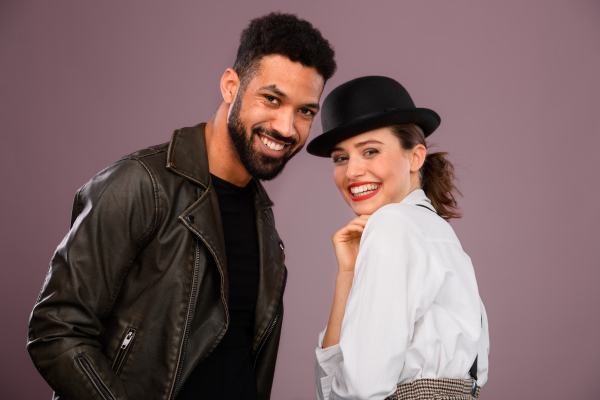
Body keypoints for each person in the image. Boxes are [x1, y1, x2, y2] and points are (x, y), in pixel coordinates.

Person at [27, 12, 336, 400]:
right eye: (272, 99)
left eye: (305, 111)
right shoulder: (140, 184)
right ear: (230, 86)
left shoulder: (263, 221)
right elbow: (55, 329)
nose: (287, 127)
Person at [306, 76, 489, 400]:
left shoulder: (392, 224)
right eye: (341, 158)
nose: (351, 172)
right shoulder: (440, 235)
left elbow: (359, 389)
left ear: (415, 157)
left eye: (370, 151)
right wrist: (348, 274)